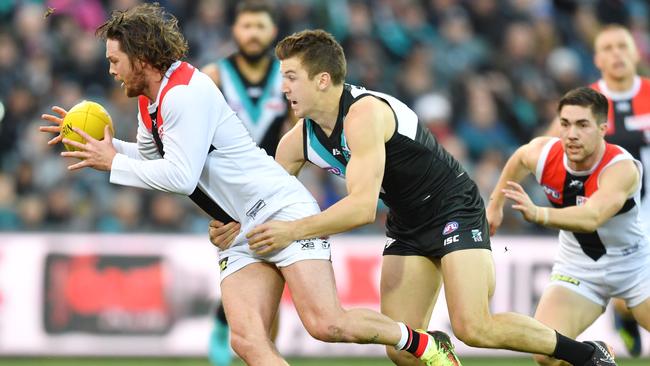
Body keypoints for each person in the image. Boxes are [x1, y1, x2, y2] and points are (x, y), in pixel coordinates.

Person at [38, 4, 460, 366]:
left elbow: (180, 176)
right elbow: (154, 164)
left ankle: (424, 343)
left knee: (327, 324)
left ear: (141, 57)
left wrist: (112, 163)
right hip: (239, 227)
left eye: (115, 60)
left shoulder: (184, 93)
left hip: (280, 208)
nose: (110, 70)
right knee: (246, 340)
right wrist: (109, 152)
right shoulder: (152, 101)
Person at [209, 29, 617, 366]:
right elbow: (261, 200)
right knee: (402, 350)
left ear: (321, 80)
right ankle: (437, 349)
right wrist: (230, 221)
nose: (283, 89)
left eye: (291, 77)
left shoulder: (364, 114)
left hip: (453, 208)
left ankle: (586, 354)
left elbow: (362, 208)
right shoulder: (296, 142)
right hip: (406, 223)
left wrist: (292, 231)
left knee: (474, 327)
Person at [488, 86, 650, 365]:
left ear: (603, 128)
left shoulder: (620, 168)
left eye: (582, 125)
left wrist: (539, 214)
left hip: (634, 268)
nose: (571, 134)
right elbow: (519, 158)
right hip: (578, 269)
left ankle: (623, 315)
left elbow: (592, 217)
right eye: (565, 124)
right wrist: (494, 205)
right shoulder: (544, 152)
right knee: (545, 354)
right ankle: (596, 354)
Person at [546, 24, 650, 357]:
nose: (617, 53)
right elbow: (549, 150)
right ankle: (622, 312)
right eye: (608, 48)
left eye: (623, 46)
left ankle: (625, 310)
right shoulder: (584, 107)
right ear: (597, 59)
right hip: (611, 222)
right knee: (548, 347)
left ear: (636, 52)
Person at [201, 2, 289, 364]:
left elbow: (297, 131)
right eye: (246, 25)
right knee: (244, 271)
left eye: (260, 26)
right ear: (235, 31)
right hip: (229, 196)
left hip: (274, 190)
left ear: (272, 32)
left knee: (276, 276)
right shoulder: (214, 76)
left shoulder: (287, 75)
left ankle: (264, 352)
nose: (253, 32)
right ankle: (226, 325)